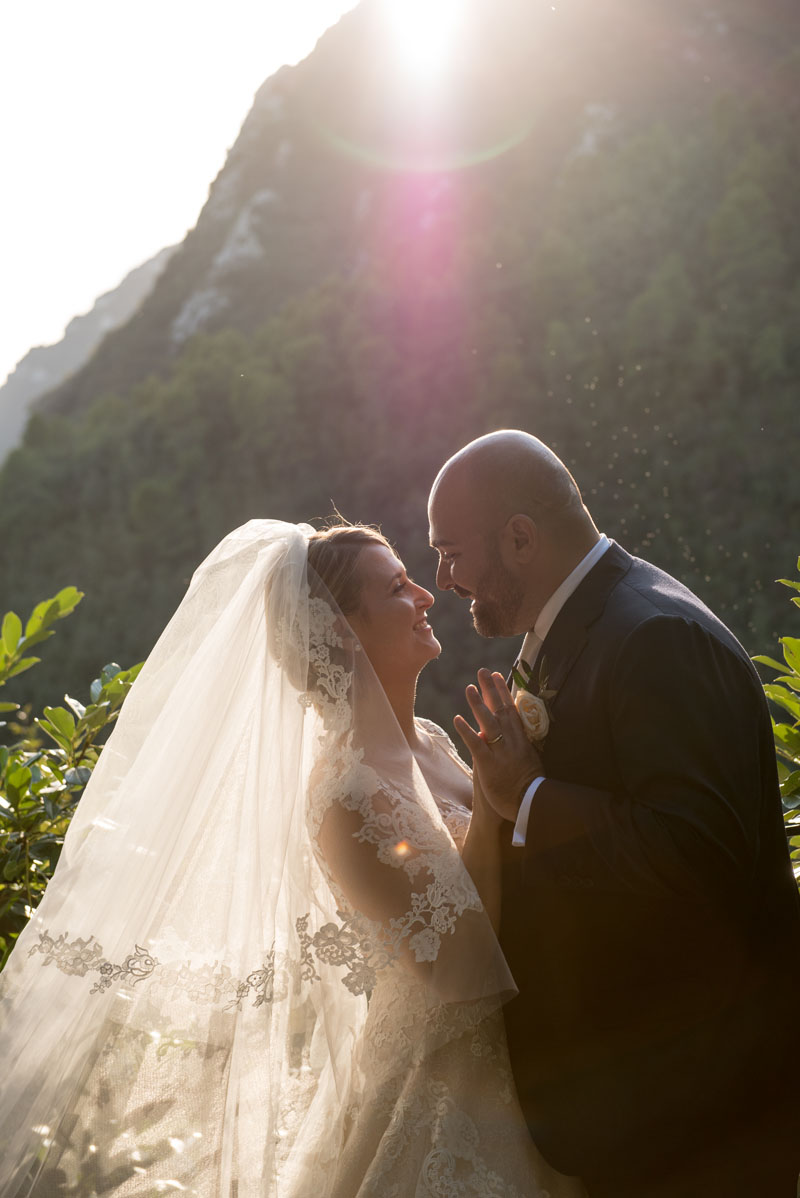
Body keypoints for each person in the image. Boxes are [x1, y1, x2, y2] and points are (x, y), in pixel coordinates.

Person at [0, 519, 582, 1197]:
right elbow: (458, 969)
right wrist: (492, 792)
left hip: (537, 1059)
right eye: (397, 587)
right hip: (449, 1095)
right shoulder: (345, 796)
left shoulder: (430, 740)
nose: (425, 594)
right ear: (341, 628)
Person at [428, 429, 800, 1198]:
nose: (444, 577)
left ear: (521, 538)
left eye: (453, 551)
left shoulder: (655, 635)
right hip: (641, 1109)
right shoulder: (571, 628)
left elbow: (695, 853)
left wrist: (526, 798)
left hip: (700, 1118)